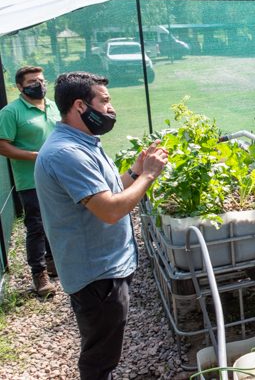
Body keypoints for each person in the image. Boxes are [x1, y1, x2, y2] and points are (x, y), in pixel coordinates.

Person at [34, 72, 168, 379]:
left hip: (106, 269)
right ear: (80, 106)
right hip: (97, 276)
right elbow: (109, 210)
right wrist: (148, 176)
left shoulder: (83, 142)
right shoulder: (66, 153)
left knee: (105, 349)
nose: (111, 108)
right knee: (99, 360)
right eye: (104, 100)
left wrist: (134, 172)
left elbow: (108, 191)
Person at [0, 66, 60, 296]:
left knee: (56, 218)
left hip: (56, 175)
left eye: (42, 80)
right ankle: (39, 274)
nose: (40, 84)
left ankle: (53, 260)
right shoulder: (11, 112)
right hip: (30, 178)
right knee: (36, 224)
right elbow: (2, 145)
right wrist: (35, 156)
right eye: (33, 81)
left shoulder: (52, 105)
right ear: (20, 86)